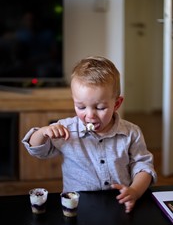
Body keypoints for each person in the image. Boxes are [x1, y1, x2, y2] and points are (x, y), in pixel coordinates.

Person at [22, 56, 157, 213]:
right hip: (77, 207)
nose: (90, 115)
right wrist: (42, 132)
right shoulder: (65, 129)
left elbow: (144, 167)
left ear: (117, 104)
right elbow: (37, 150)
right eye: (81, 107)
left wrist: (134, 191)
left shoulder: (131, 133)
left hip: (120, 204)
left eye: (100, 108)